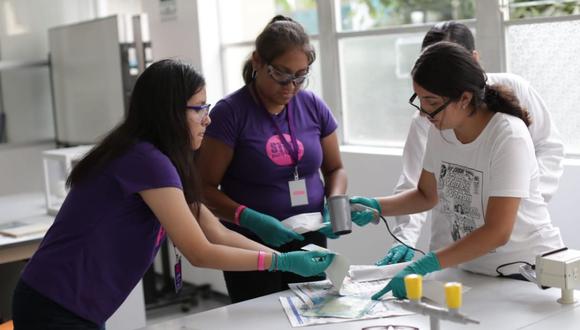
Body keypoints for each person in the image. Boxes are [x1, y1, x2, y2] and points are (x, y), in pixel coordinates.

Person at [11, 59, 334, 329]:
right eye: (199, 109)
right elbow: (200, 252)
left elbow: (215, 231)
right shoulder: (146, 160)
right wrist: (280, 263)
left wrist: (281, 254)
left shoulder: (156, 158)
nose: (207, 118)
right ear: (168, 112)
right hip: (55, 304)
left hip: (67, 302)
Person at [351, 41, 564, 300]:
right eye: (419, 99)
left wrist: (426, 263)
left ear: (464, 98)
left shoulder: (507, 136)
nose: (424, 111)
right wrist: (375, 206)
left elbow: (498, 231)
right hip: (473, 271)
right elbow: (426, 195)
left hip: (527, 274)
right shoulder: (440, 130)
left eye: (431, 101)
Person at [197, 15, 347, 303]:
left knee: (313, 315)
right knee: (260, 318)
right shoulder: (231, 113)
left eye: (301, 75)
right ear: (257, 62)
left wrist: (336, 204)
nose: (291, 86)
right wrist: (250, 219)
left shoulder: (313, 105)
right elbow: (202, 188)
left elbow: (335, 168)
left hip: (310, 237)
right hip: (250, 243)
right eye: (281, 74)